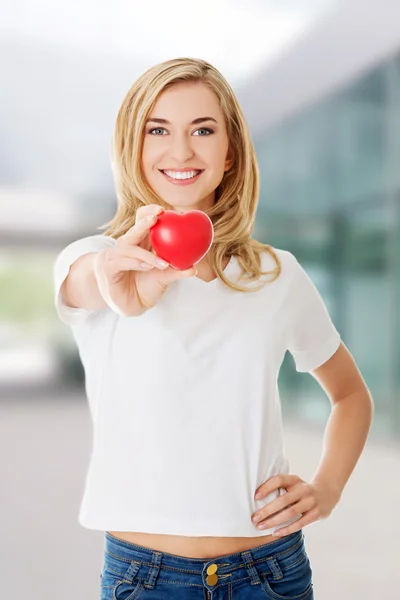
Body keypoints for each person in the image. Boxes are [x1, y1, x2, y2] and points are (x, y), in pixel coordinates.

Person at [53, 57, 374, 599]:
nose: (181, 152)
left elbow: (350, 394)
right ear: (133, 146)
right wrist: (114, 279)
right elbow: (88, 281)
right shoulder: (95, 258)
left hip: (268, 573)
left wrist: (328, 487)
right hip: (145, 579)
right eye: (159, 130)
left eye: (202, 130)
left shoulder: (276, 275)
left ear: (230, 154)